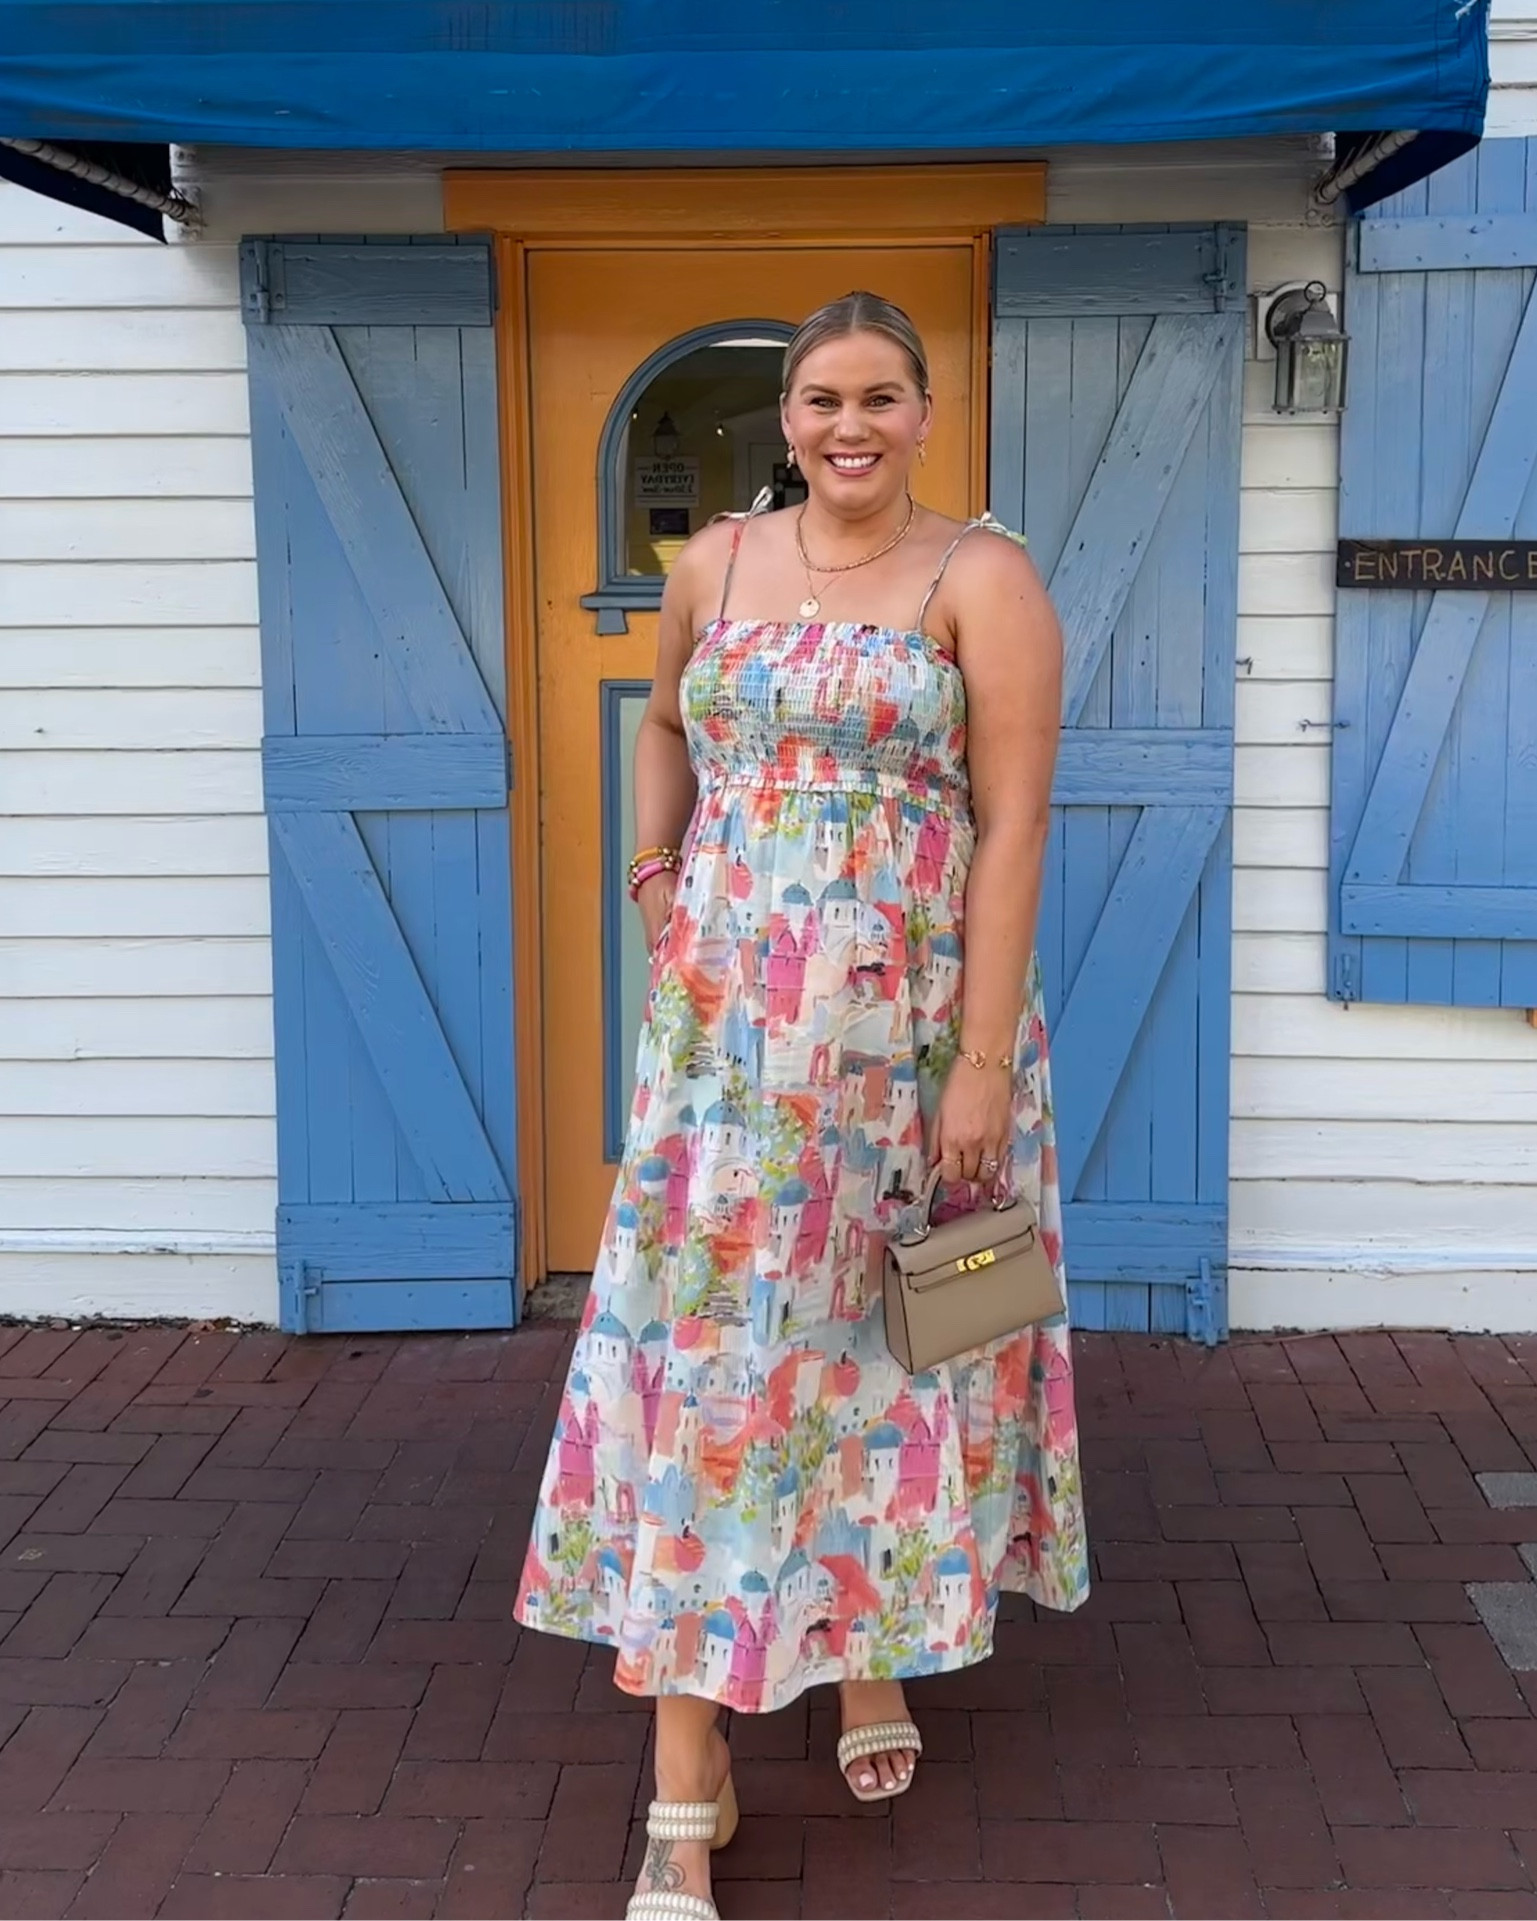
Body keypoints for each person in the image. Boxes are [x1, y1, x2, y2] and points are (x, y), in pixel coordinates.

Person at [515, 291, 1089, 1921]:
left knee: (890, 1344)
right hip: (719, 1051)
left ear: (927, 408)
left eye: (882, 396)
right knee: (710, 1355)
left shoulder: (985, 575)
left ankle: (867, 1653)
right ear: (786, 418)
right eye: (823, 397)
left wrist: (979, 1063)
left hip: (910, 1042)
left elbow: (1016, 827)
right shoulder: (714, 565)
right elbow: (663, 730)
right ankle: (684, 1772)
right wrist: (654, 870)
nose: (851, 424)